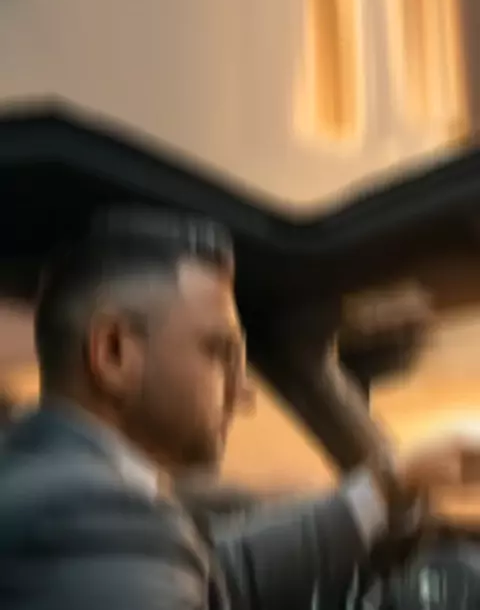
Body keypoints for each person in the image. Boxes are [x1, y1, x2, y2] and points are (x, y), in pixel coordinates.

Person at [0, 206, 479, 610]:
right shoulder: (88, 518)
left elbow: (218, 575)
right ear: (113, 353)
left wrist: (392, 482)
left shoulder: (56, 488)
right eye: (219, 352)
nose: (242, 390)